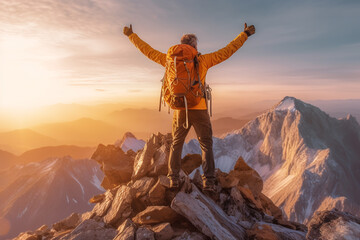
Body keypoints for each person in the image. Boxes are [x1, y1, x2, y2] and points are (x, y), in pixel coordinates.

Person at [123, 23, 255, 193]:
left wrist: (131, 35)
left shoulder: (169, 60)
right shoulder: (203, 60)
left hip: (179, 109)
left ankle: (173, 179)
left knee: (177, 144)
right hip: (199, 108)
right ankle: (208, 181)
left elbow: (147, 50)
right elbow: (228, 50)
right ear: (194, 46)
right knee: (206, 145)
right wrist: (244, 34)